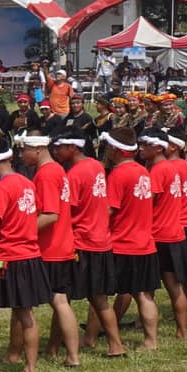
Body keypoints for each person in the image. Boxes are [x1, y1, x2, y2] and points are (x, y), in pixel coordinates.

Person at [53, 131, 127, 357]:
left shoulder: (74, 175)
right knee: (100, 298)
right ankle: (115, 345)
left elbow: (68, 209)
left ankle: (55, 347)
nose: (56, 151)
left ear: (73, 148)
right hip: (100, 238)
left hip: (82, 241)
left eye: (61, 147)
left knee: (62, 298)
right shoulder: (95, 165)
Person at [0, 136, 51, 372]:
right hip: (31, 254)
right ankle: (30, 367)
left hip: (8, 256)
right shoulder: (26, 182)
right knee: (26, 313)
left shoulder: (2, 187)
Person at [19, 132, 81, 368]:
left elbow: (50, 215)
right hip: (64, 243)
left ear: (36, 150)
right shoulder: (57, 170)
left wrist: (23, 231)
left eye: (24, 150)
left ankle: (71, 355)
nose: (22, 155)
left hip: (51, 247)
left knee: (55, 302)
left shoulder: (45, 174)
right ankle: (60, 350)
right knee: (61, 301)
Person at [98, 127, 160, 350]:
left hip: (123, 244)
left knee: (99, 293)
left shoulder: (118, 175)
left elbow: (108, 210)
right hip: (145, 241)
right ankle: (151, 341)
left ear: (115, 149)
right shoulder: (142, 172)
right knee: (144, 295)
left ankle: (95, 337)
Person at [144, 130, 187, 339]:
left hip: (159, 235)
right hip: (174, 232)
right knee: (175, 287)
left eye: (145, 143)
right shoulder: (172, 168)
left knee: (144, 289)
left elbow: (147, 202)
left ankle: (149, 335)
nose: (140, 147)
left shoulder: (158, 171)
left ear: (158, 147)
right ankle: (181, 331)